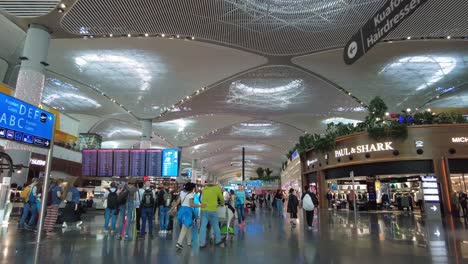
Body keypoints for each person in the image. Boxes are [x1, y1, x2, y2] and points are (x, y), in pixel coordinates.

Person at [175, 182, 206, 250]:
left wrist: (172, 208)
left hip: (181, 210)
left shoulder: (182, 193)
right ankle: (179, 243)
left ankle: (189, 241)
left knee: (187, 226)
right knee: (184, 227)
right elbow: (191, 204)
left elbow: (177, 202)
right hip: (187, 212)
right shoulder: (191, 195)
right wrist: (201, 205)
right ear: (192, 188)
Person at [199, 181, 225, 248]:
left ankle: (202, 243)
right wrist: (222, 203)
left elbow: (201, 199)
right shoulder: (217, 188)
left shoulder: (204, 189)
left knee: (203, 226)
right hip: (213, 210)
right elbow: (222, 199)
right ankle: (218, 240)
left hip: (204, 210)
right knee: (216, 226)